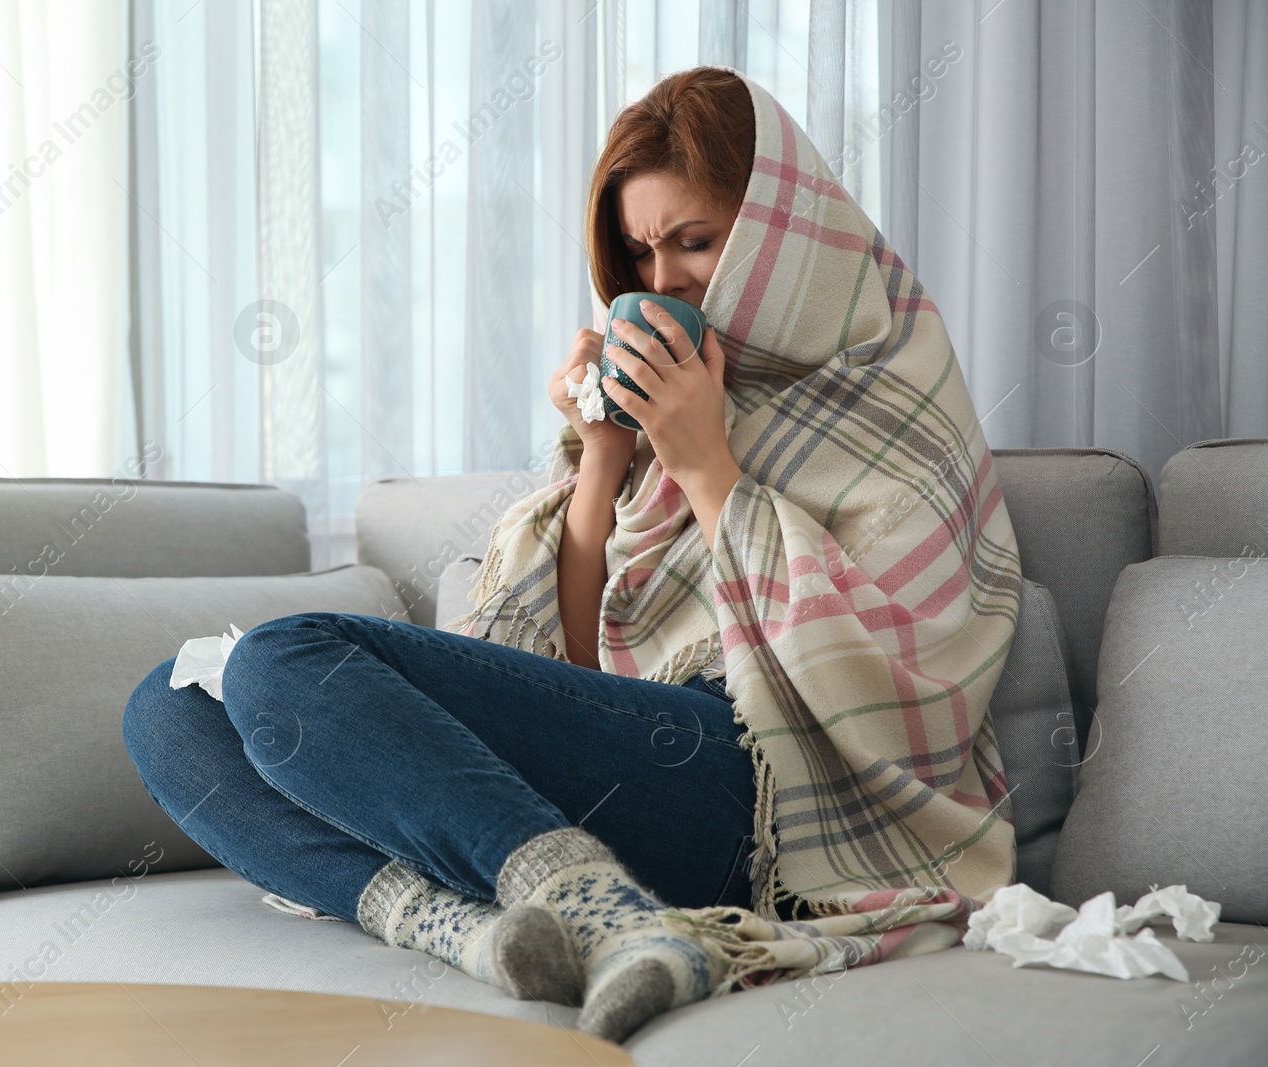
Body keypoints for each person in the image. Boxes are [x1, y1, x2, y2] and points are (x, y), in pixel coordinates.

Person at [124, 65, 1020, 1046]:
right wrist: (604, 457)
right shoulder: (658, 408)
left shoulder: (889, 380)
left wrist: (709, 466)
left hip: (759, 789)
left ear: (778, 238)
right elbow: (573, 670)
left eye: (695, 241)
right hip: (612, 779)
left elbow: (910, 697)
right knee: (168, 704)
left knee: (284, 659)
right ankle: (501, 928)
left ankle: (599, 912)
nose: (664, 284)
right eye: (640, 254)